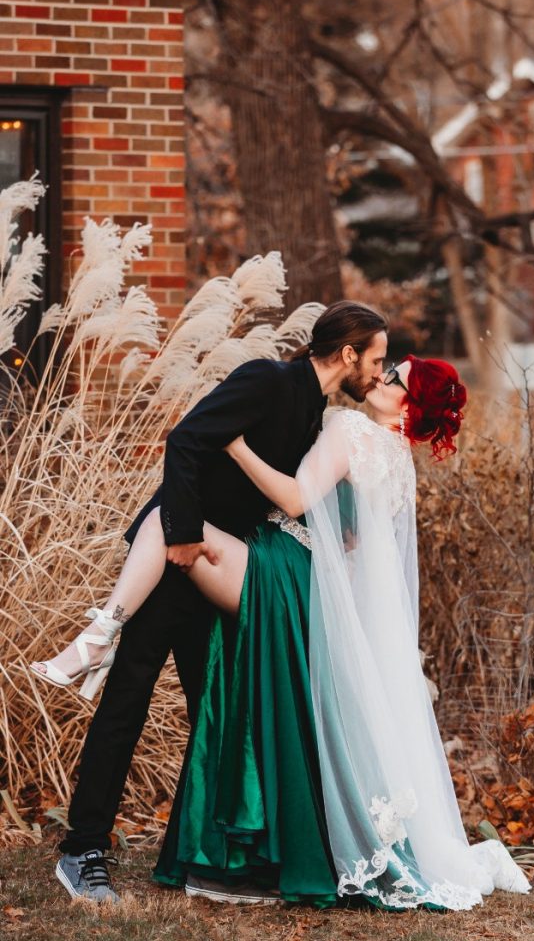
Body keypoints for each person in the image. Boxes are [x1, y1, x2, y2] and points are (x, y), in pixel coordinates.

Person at [30, 301, 388, 903]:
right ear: (347, 353)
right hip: (177, 558)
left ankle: (221, 856)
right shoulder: (266, 380)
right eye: (376, 360)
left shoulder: (316, 413)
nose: (380, 373)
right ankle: (82, 851)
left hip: (225, 569)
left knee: (217, 715)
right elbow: (187, 441)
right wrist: (183, 535)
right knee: (128, 700)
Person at [153, 356, 531, 908]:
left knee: (163, 522)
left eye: (394, 378)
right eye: (386, 367)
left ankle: (110, 623)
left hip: (288, 570)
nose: (381, 378)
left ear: (410, 405)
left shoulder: (350, 428)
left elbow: (293, 499)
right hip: (331, 601)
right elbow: (355, 539)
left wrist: (234, 446)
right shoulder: (400, 462)